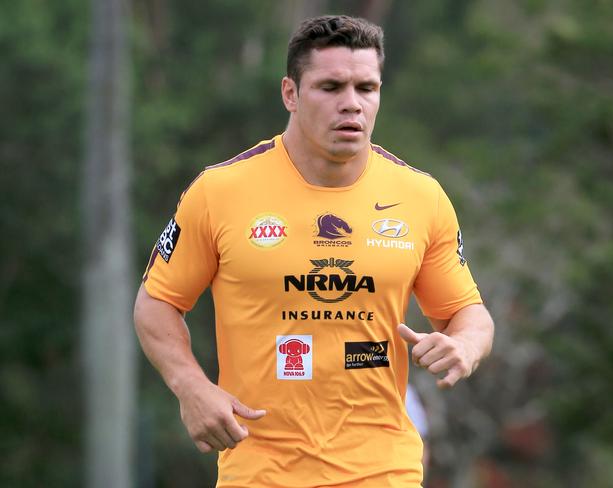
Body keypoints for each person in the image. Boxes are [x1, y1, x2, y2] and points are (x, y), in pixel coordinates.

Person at [133, 14, 494, 487]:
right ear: (290, 93)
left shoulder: (420, 198)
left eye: (367, 88)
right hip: (261, 473)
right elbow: (156, 303)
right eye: (331, 87)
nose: (352, 104)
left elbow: (470, 313)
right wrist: (191, 387)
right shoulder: (220, 191)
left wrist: (464, 345)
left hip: (383, 470)